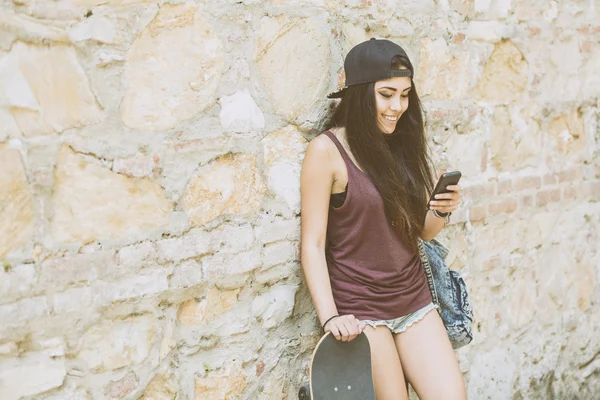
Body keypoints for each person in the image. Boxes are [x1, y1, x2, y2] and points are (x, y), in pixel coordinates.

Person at [300, 38, 467, 400]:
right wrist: (331, 318)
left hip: (415, 301)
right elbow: (312, 245)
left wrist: (440, 209)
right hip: (362, 312)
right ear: (360, 94)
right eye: (387, 94)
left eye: (405, 95)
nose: (398, 107)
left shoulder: (401, 143)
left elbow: (421, 231)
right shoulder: (326, 152)